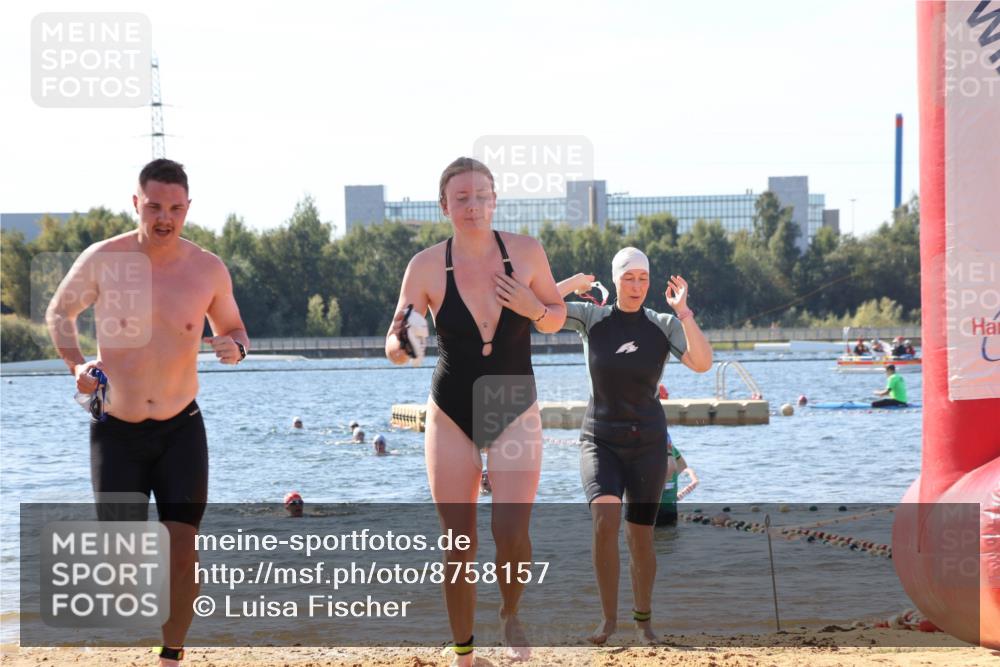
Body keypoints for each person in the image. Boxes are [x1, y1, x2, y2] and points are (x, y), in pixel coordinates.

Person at [45, 159, 249, 667]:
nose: (165, 217)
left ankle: (171, 655)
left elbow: (236, 328)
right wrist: (75, 367)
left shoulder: (207, 268)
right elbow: (58, 313)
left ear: (188, 208)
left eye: (176, 208)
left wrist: (236, 348)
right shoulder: (103, 260)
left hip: (182, 428)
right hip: (116, 430)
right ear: (136, 203)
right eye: (155, 206)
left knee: (183, 550)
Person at [384, 157, 566, 665]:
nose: (472, 205)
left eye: (481, 195)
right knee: (458, 538)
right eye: (461, 197)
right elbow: (397, 335)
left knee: (511, 532)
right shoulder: (424, 266)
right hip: (451, 405)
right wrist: (400, 348)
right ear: (444, 206)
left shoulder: (527, 253)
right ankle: (464, 651)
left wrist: (532, 309)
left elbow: (555, 317)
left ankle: (510, 613)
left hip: (512, 400)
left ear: (495, 200)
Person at [557, 248, 713, 645]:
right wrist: (574, 284)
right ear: (615, 280)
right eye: (629, 278)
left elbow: (702, 363)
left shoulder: (662, 325)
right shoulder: (592, 318)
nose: (637, 286)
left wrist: (684, 313)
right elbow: (537, 311)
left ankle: (644, 623)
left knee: (640, 536)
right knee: (604, 521)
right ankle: (607, 622)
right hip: (599, 438)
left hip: (647, 442)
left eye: (643, 278)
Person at [655, 435, 699, 527]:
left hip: (656, 505)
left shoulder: (651, 450)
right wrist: (671, 477)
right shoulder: (673, 450)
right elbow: (683, 465)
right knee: (671, 534)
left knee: (656, 536)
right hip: (671, 505)